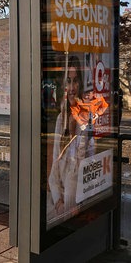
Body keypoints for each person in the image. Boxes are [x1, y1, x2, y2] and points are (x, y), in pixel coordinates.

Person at [48, 55, 88, 221]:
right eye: (68, 81)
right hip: (61, 202)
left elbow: (78, 168)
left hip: (76, 201)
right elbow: (53, 174)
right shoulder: (60, 118)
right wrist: (58, 201)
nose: (72, 87)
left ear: (80, 84)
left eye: (75, 81)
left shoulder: (85, 117)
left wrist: (66, 205)